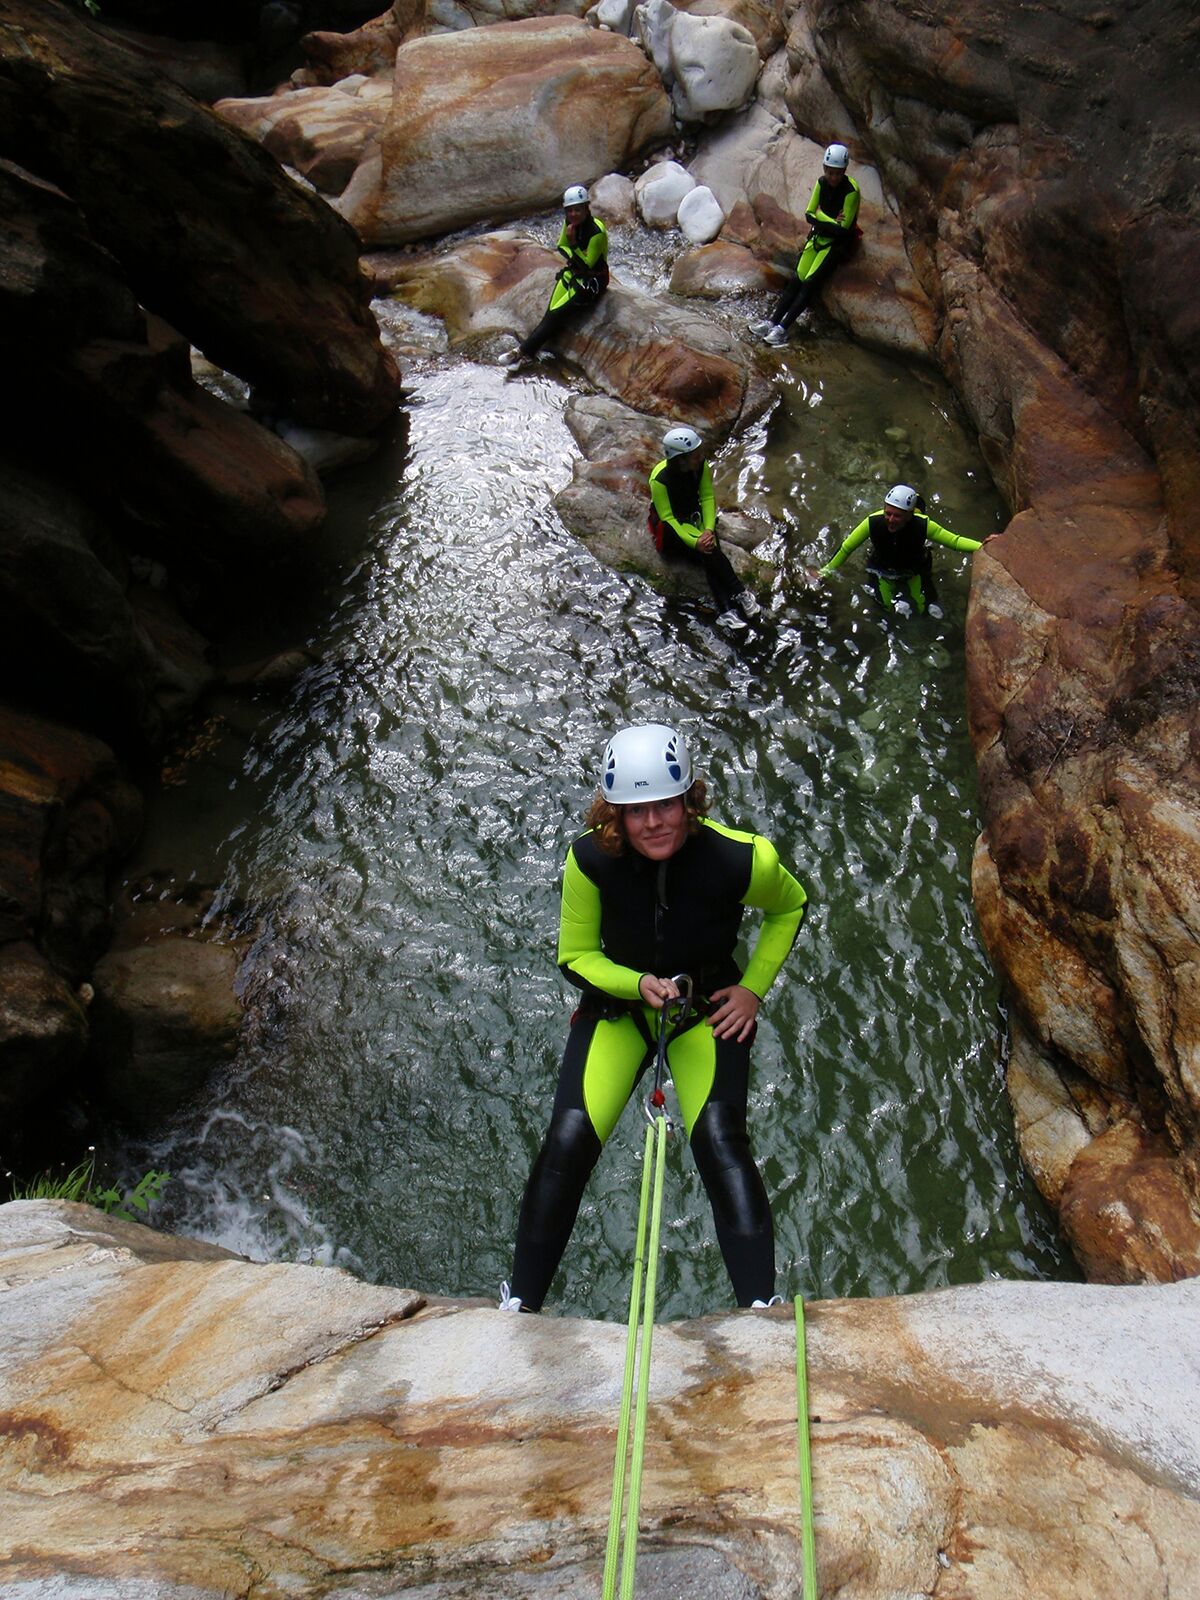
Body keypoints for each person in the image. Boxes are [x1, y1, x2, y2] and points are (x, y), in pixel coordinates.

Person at [501, 722, 808, 1313]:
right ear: (614, 814)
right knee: (567, 1140)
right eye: (635, 811)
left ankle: (761, 1308)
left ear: (689, 799)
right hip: (621, 1008)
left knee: (722, 1141)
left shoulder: (740, 860)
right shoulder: (590, 860)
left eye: (666, 804)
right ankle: (520, 1305)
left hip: (704, 1011)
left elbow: (790, 905)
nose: (653, 823)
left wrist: (752, 990)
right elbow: (576, 956)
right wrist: (638, 985)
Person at [818, 483, 988, 617]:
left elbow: (955, 542)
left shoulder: (923, 525)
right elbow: (846, 548)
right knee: (885, 607)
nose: (891, 519)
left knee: (924, 609)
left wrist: (983, 546)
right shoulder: (872, 522)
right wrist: (825, 572)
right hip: (882, 569)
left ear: (909, 515)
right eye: (888, 513)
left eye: (897, 516)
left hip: (914, 570)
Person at [750, 143, 861, 346]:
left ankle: (782, 329)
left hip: (834, 244)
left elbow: (843, 230)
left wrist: (821, 216)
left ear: (843, 171)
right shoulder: (821, 182)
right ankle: (771, 322)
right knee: (797, 279)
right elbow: (810, 214)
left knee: (810, 282)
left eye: (836, 173)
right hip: (818, 238)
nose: (832, 177)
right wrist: (828, 219)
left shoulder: (850, 191)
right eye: (829, 172)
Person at [648, 427, 761, 626]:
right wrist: (694, 542)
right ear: (680, 458)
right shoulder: (659, 479)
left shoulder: (701, 466)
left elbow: (707, 497)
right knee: (708, 551)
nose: (700, 456)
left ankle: (727, 611)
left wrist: (708, 529)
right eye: (695, 454)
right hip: (672, 531)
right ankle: (738, 594)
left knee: (710, 550)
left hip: (696, 521)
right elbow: (668, 519)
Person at [510, 184, 609, 363]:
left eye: (577, 210)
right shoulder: (569, 223)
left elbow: (588, 265)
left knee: (558, 314)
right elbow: (561, 247)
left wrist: (573, 246)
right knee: (551, 312)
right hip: (574, 273)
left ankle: (522, 352)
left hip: (594, 280)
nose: (573, 215)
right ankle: (526, 354)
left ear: (586, 208)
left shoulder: (597, 232)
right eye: (569, 211)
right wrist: (573, 249)